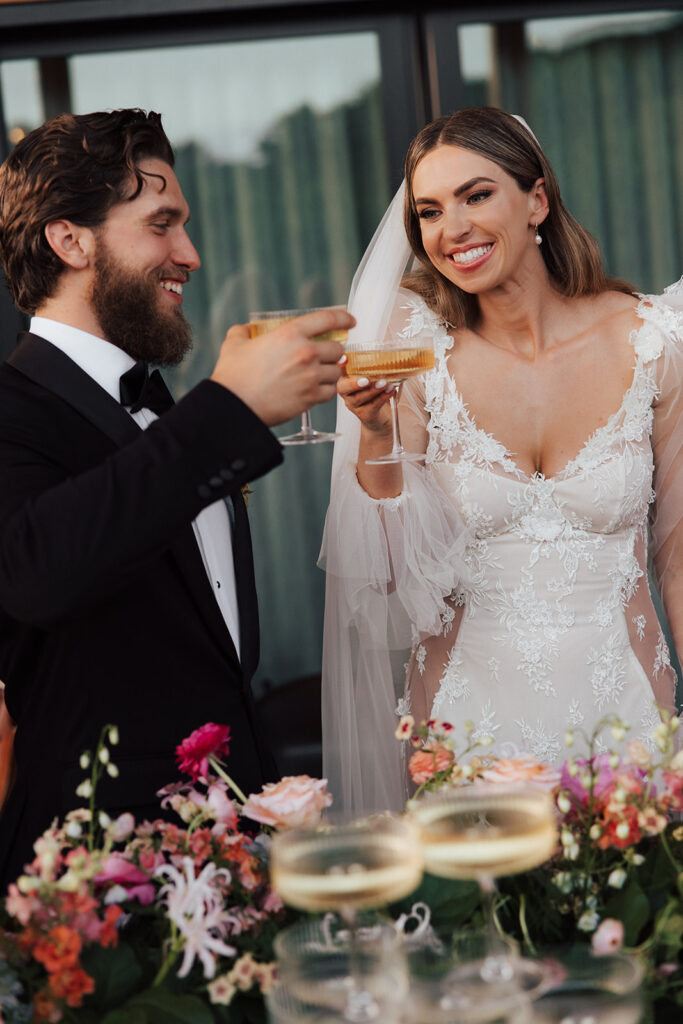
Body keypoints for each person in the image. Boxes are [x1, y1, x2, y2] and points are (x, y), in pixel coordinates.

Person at [0, 108, 352, 887]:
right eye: (162, 224)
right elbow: (35, 571)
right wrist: (226, 412)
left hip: (241, 852)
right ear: (70, 240)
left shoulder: (162, 412)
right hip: (103, 883)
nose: (189, 254)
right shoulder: (14, 410)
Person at [319, 107, 682, 814]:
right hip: (465, 735)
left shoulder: (653, 342)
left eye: (475, 195)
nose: (450, 228)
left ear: (536, 200)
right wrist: (372, 434)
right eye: (428, 210)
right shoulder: (418, 355)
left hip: (627, 726)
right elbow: (389, 574)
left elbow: (677, 556)